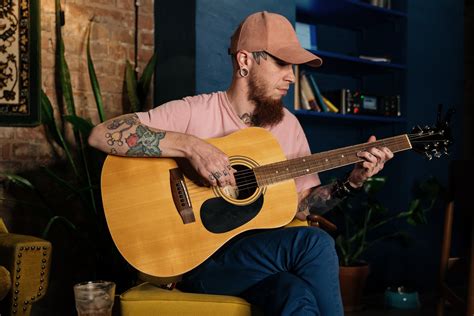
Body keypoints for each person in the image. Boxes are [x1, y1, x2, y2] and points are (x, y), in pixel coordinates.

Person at [88, 11, 393, 316]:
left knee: (295, 295)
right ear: (245, 61)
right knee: (316, 243)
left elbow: (301, 208)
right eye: (282, 63)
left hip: (256, 262)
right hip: (198, 262)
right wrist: (191, 146)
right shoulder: (195, 111)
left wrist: (351, 182)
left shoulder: (288, 126)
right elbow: (101, 135)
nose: (291, 76)